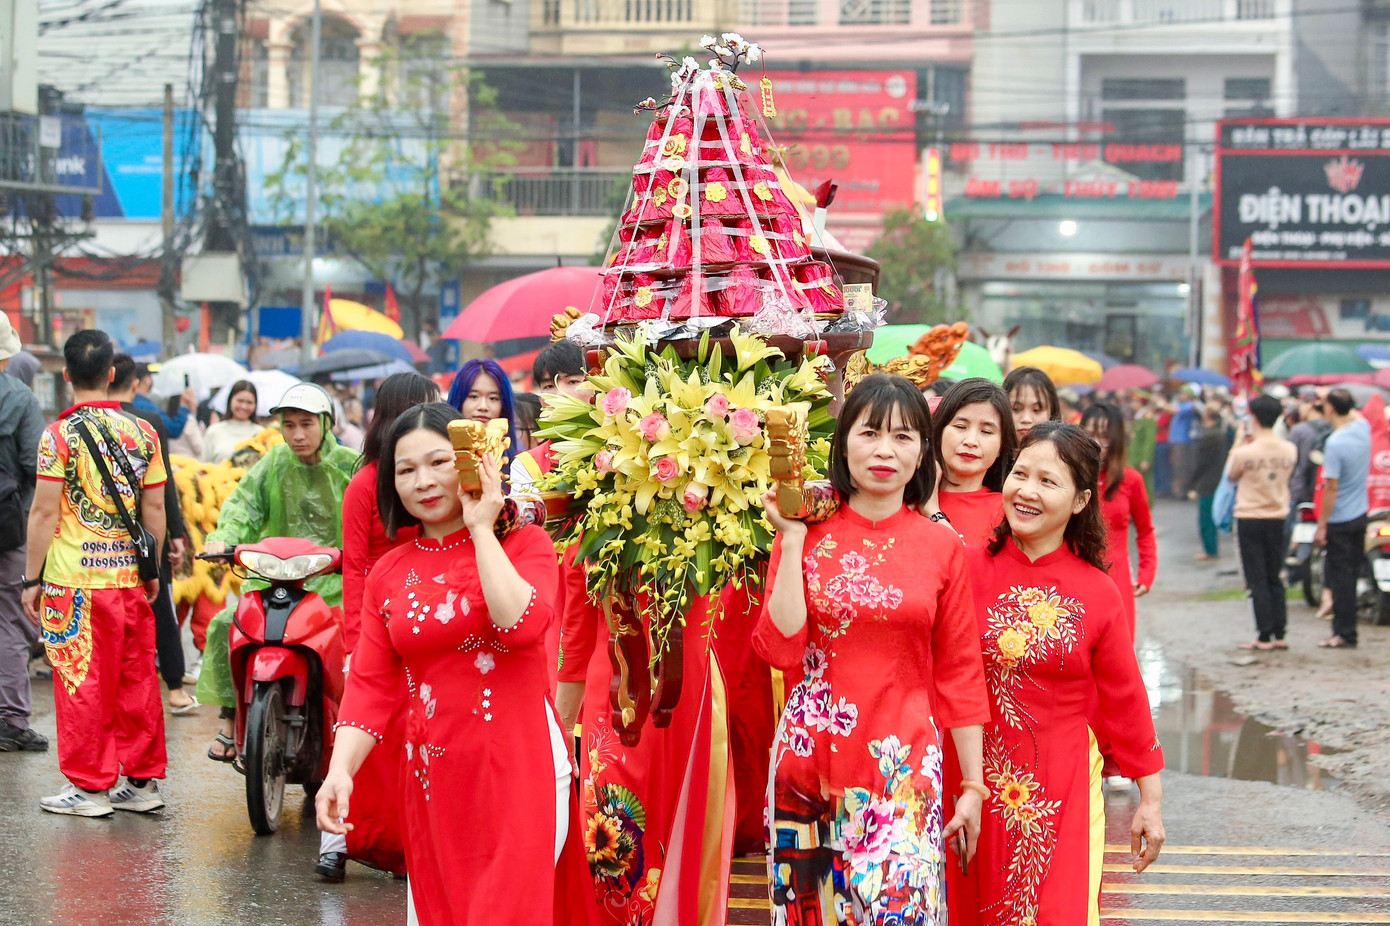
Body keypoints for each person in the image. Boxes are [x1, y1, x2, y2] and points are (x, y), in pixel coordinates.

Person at [315, 402, 597, 926]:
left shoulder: (525, 545)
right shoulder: (389, 574)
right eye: (405, 469)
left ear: (473, 462)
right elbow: (371, 690)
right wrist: (340, 771)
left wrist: (483, 528)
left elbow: (523, 626)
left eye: (439, 462)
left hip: (520, 770)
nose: (422, 480)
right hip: (432, 780)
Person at [755, 373, 991, 925]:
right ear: (843, 444)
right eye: (870, 433)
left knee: (901, 910)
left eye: (904, 436)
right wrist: (790, 542)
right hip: (809, 761)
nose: (885, 450)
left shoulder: (941, 546)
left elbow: (960, 670)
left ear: (922, 454)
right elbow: (782, 648)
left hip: (903, 765)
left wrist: (974, 786)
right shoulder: (806, 531)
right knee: (811, 915)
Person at [949, 421, 1165, 925]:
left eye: (1048, 482)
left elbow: (1126, 699)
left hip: (1060, 788)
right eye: (1020, 474)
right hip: (965, 782)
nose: (1026, 491)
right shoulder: (962, 568)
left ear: (1081, 500)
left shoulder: (1096, 591)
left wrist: (1149, 801)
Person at [23, 330, 169, 817]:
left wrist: (30, 579)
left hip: (74, 584)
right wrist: (153, 571)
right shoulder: (144, 433)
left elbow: (44, 513)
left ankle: (89, 788)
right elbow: (155, 509)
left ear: (66, 376)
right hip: (129, 579)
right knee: (136, 682)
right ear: (112, 375)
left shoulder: (57, 436)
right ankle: (142, 783)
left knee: (82, 682)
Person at [197, 383, 359, 760]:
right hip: (276, 576)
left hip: (335, 583)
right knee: (226, 623)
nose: (297, 435)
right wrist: (224, 539)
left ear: (326, 423)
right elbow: (243, 506)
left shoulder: (351, 465)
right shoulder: (273, 462)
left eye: (307, 424)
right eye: (289, 425)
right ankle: (230, 715)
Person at [327, 371, 439, 882]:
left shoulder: (438, 481)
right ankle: (338, 838)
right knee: (361, 732)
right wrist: (354, 641)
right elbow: (354, 566)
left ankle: (408, 841)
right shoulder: (365, 484)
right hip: (380, 622)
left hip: (428, 621)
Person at [108, 355, 197, 713]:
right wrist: (175, 533)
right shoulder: (149, 421)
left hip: (99, 535)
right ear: (134, 382)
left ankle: (113, 688)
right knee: (160, 605)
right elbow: (163, 486)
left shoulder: (79, 423)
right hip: (147, 531)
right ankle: (174, 687)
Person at [0, 315, 47, 753]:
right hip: (8, 527)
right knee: (12, 622)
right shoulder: (19, 398)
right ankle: (10, 720)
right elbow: (39, 468)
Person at [1224, 394, 1297, 651]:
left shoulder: (1245, 452)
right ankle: (1280, 632)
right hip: (1278, 516)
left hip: (1250, 516)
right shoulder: (1290, 449)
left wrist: (1238, 442)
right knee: (1275, 574)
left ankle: (1264, 634)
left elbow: (1231, 476)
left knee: (1257, 578)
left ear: (1252, 416)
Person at [1080, 402, 1157, 639]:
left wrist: (1147, 573)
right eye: (1091, 434)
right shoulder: (1069, 478)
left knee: (1118, 654)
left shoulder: (1131, 480)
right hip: (1075, 578)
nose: (1097, 443)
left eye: (1105, 436)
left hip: (1117, 580)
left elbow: (1145, 531)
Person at [927, 377, 1017, 547]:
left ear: (1001, 446)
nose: (971, 441)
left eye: (986, 431)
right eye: (961, 427)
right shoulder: (904, 497)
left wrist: (933, 512)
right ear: (939, 433)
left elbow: (970, 571)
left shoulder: (1008, 511)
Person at [1316, 388, 1371, 649]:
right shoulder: (1363, 428)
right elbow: (1356, 413)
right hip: (1361, 513)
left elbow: (1331, 487)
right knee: (1350, 575)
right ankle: (1346, 631)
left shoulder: (1336, 443)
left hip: (1340, 518)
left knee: (1341, 580)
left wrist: (1322, 523)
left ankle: (1344, 633)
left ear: (1330, 409)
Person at [447, 358, 521, 472]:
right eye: (474, 396)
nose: (483, 406)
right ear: (459, 401)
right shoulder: (442, 460)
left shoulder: (520, 464)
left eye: (493, 398)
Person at [1187, 403, 1226, 561]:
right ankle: (1211, 548)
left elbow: (1201, 462)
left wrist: (1192, 482)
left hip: (1208, 480)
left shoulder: (1209, 435)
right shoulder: (1220, 433)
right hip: (1217, 477)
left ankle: (1210, 550)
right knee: (1210, 516)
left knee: (1206, 518)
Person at [201, 380, 264, 464]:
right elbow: (204, 465)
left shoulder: (261, 433)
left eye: (249, 402)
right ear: (230, 400)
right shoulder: (214, 431)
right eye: (240, 401)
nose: (244, 406)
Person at [133, 362, 196, 441]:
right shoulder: (148, 407)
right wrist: (184, 406)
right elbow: (173, 429)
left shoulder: (125, 403)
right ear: (147, 380)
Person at [1003, 366, 1061, 441]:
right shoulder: (987, 451)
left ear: (1052, 413)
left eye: (1037, 410)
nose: (1026, 419)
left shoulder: (1067, 452)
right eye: (1016, 408)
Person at [1168, 387, 1199, 499]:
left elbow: (1174, 410)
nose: (1181, 396)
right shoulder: (1182, 405)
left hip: (1183, 440)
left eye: (1184, 394)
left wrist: (1162, 404)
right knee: (1177, 466)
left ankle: (1182, 490)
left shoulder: (1190, 405)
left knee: (1182, 467)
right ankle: (1178, 489)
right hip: (1176, 439)